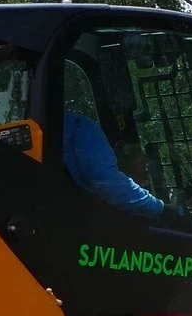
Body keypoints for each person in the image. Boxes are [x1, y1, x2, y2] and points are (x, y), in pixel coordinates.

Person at [61, 62, 164, 216]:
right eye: (143, 167)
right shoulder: (82, 129)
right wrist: (162, 209)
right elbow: (107, 184)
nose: (142, 181)